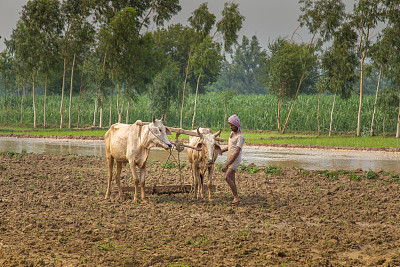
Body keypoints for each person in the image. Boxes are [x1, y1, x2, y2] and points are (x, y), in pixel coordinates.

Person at [222, 114, 245, 205]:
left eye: (232, 125)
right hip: (230, 157)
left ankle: (236, 197)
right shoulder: (232, 134)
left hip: (235, 160)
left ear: (236, 125)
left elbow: (236, 152)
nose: (230, 127)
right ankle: (235, 196)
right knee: (232, 178)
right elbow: (231, 146)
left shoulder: (240, 137)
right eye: (230, 125)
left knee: (227, 177)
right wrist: (223, 150)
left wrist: (227, 164)